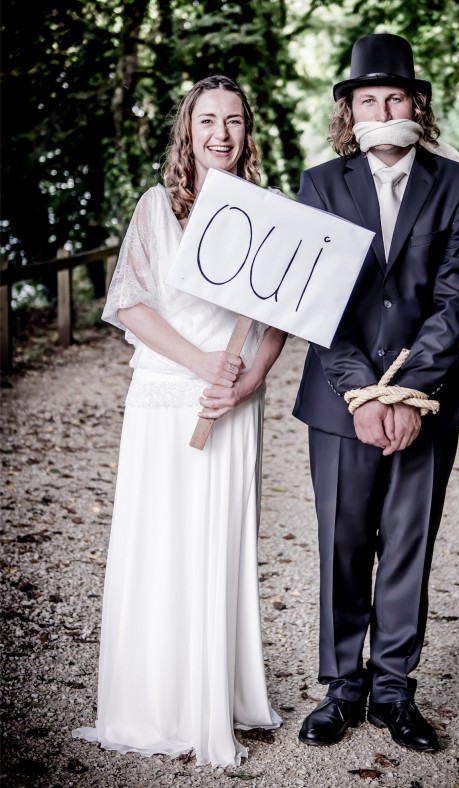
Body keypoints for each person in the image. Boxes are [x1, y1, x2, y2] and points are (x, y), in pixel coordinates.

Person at [73, 75, 287, 769]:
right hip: (167, 397)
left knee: (215, 545)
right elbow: (130, 304)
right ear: (186, 133)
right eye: (206, 122)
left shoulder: (269, 213)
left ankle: (213, 698)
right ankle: (151, 702)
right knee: (160, 542)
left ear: (247, 132)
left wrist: (246, 382)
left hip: (230, 403)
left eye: (232, 121)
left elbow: (283, 315)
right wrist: (202, 364)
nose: (220, 134)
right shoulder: (155, 208)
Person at [292, 33, 459, 753]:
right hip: (338, 400)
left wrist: (406, 394)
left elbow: (455, 297)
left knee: (407, 546)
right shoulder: (318, 184)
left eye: (395, 96)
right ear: (350, 111)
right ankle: (341, 690)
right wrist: (360, 394)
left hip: (427, 400)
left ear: (416, 106)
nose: (383, 107)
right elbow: (313, 301)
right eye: (367, 98)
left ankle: (393, 691)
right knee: (343, 544)